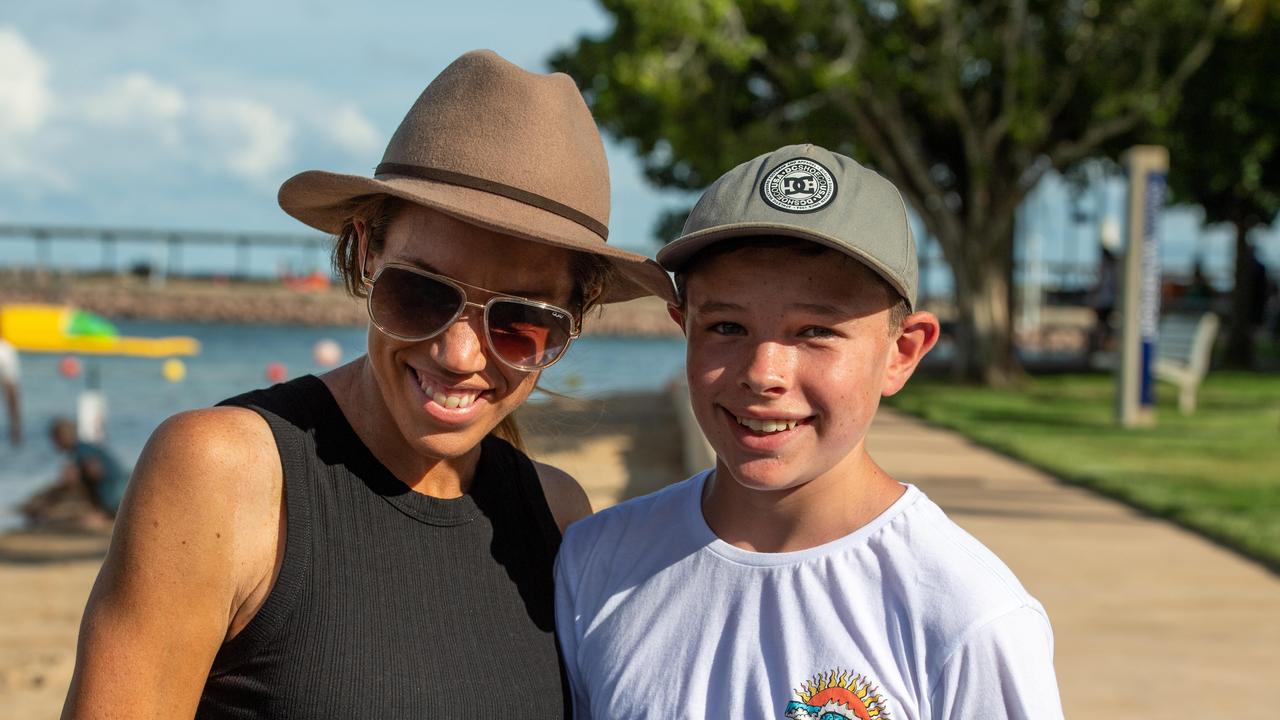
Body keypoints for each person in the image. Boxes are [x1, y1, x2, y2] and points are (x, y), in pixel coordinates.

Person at [61, 50, 674, 718]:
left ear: (570, 324)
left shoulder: (557, 516)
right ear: (365, 252)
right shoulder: (224, 475)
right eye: (421, 292)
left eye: (521, 321)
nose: (459, 352)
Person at [555, 145, 1064, 718]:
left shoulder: (968, 615)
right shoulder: (597, 562)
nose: (763, 373)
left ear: (902, 353)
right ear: (684, 328)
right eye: (727, 326)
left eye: (816, 331)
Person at [50, 416, 128, 518]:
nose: (53, 444)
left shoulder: (81, 450)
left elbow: (95, 471)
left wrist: (77, 477)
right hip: (122, 491)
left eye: (54, 439)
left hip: (112, 495)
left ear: (61, 437)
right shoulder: (85, 448)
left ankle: (101, 515)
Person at [0, 336, 21, 446]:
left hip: (8, 383)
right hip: (10, 382)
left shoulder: (5, 349)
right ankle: (16, 436)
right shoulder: (7, 348)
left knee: (13, 411)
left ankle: (15, 436)